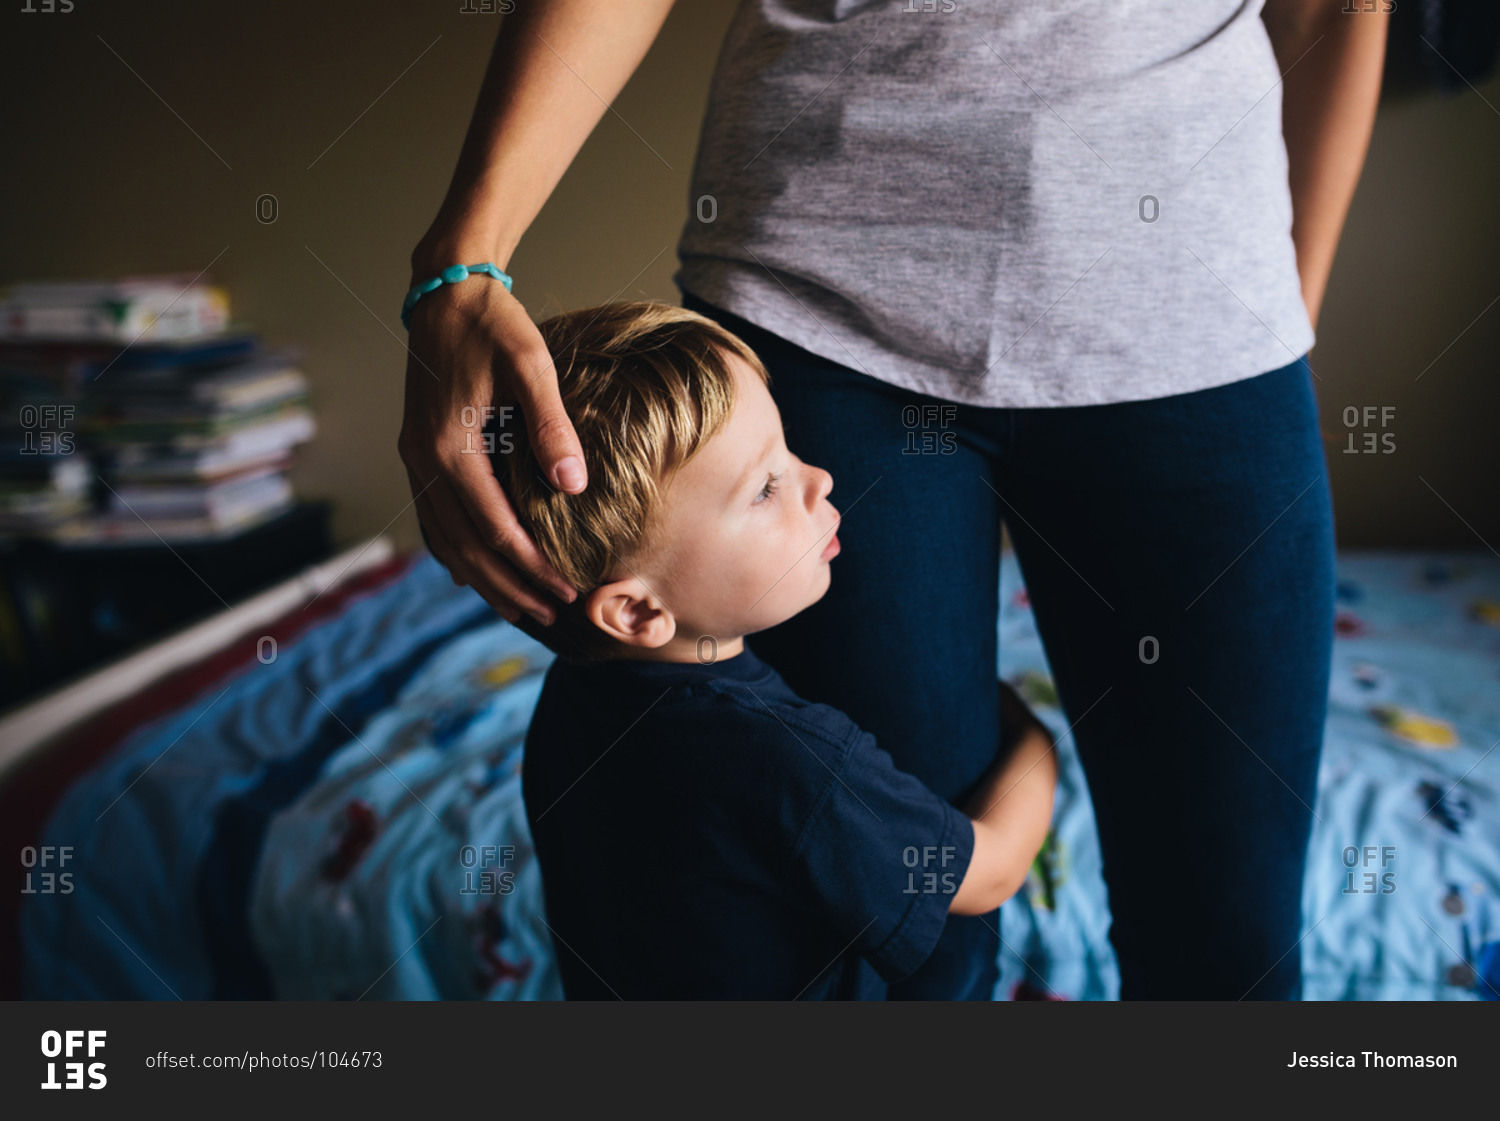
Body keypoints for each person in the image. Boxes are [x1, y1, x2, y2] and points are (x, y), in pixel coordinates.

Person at [398, 1, 1389, 998]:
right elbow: (957, 878)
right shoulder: (724, 725)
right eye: (773, 478)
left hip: (1204, 311)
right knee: (918, 972)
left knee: (1229, 956)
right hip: (817, 307)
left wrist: (1274, 309)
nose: (812, 484)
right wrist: (461, 257)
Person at [497, 301, 1058, 998]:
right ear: (638, 609)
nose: (818, 477)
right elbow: (992, 872)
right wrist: (1037, 739)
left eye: (787, 448)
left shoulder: (571, 692)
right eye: (765, 488)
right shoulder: (794, 759)